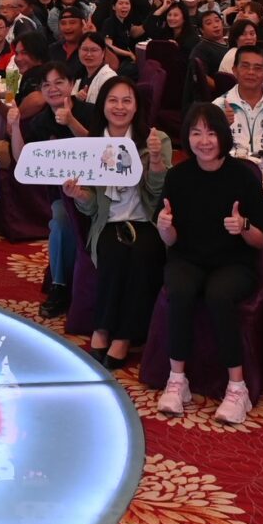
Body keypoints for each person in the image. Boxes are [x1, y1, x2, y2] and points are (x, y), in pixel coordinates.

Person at [150, 103, 263, 424]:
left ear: (223, 136)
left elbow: (262, 240)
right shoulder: (178, 176)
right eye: (196, 133)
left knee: (219, 294)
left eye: (211, 133)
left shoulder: (243, 176)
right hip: (188, 258)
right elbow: (171, 240)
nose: (204, 141)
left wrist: (243, 226)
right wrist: (164, 227)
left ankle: (237, 387)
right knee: (179, 288)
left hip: (234, 263)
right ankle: (177, 381)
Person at [67, 76, 171, 369]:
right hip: (108, 222)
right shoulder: (91, 145)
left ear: (137, 107)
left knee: (142, 255)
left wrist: (155, 160)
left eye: (127, 101)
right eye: (113, 100)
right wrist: (78, 194)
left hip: (145, 220)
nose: (120, 107)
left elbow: (159, 194)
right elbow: (90, 208)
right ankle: (102, 329)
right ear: (103, 105)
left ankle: (124, 336)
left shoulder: (156, 139)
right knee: (113, 254)